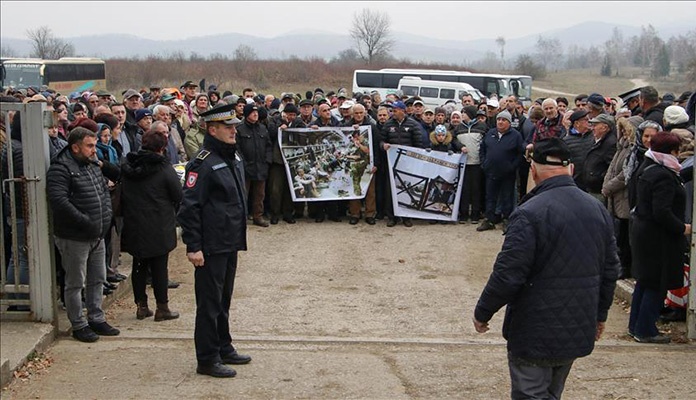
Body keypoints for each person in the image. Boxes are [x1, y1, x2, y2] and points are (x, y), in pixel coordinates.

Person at [473, 137, 620, 400]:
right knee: (552, 393)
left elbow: (508, 273)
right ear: (571, 168)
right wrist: (600, 314)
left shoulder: (529, 212)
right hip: (577, 323)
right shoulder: (596, 208)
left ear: (533, 170)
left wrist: (483, 311)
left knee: (530, 394)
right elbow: (611, 269)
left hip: (534, 328)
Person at [177, 103, 251, 378]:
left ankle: (223, 346)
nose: (234, 131)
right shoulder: (203, 163)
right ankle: (207, 359)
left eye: (234, 126)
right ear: (212, 129)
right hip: (210, 245)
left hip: (229, 240)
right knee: (209, 303)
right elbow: (189, 207)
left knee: (223, 299)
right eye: (228, 127)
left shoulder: (233, 156)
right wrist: (193, 246)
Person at [47, 127, 122, 342]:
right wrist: (85, 221)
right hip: (74, 236)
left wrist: (104, 219)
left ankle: (96, 318)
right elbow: (60, 202)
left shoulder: (92, 165)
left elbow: (104, 192)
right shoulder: (60, 169)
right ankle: (78, 323)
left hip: (96, 235)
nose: (93, 150)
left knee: (97, 278)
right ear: (75, 147)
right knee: (75, 283)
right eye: (89, 146)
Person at [628, 131, 690, 344]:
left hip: (644, 232)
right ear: (672, 151)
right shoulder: (663, 174)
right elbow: (662, 211)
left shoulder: (648, 168)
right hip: (658, 237)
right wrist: (682, 228)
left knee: (644, 281)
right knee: (656, 281)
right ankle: (645, 329)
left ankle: (636, 325)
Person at [121, 130, 182, 321]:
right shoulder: (164, 169)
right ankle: (162, 307)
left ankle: (141, 306)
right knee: (159, 267)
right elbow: (178, 195)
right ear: (162, 148)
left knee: (138, 266)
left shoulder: (129, 165)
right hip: (159, 224)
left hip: (135, 223)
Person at [477, 111, 524, 233]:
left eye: (504, 120)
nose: (500, 122)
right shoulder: (490, 133)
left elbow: (520, 153)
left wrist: (512, 166)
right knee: (490, 197)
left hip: (507, 173)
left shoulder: (516, 135)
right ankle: (490, 220)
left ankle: (507, 220)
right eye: (499, 119)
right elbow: (482, 149)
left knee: (507, 197)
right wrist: (484, 163)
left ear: (509, 123)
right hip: (491, 172)